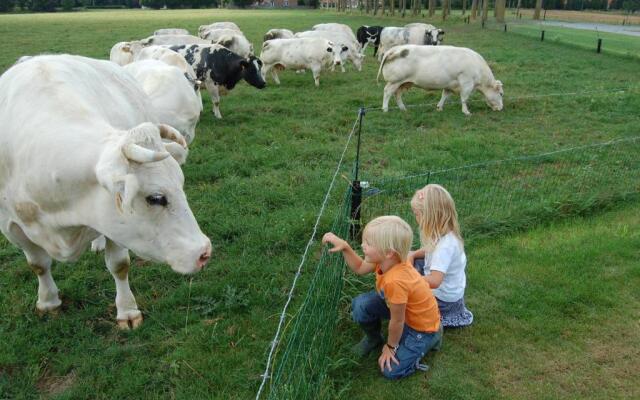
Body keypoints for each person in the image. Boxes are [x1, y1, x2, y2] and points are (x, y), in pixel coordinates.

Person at [322, 215, 442, 379]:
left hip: (420, 326)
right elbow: (359, 267)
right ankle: (374, 339)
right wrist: (345, 247)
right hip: (403, 312)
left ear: (389, 252)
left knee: (391, 371)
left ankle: (432, 338)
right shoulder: (385, 261)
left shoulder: (396, 281)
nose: (363, 245)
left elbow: (397, 321)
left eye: (369, 243)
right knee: (360, 304)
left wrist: (391, 346)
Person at [409, 184, 473, 328]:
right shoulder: (444, 233)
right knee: (412, 260)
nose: (415, 217)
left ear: (430, 216)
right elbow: (429, 249)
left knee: (409, 301)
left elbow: (435, 280)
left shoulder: (445, 247)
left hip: (443, 301)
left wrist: (410, 280)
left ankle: (432, 323)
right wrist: (413, 254)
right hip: (448, 290)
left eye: (417, 214)